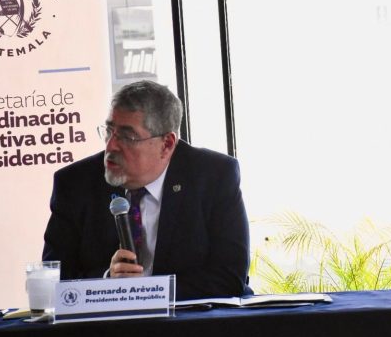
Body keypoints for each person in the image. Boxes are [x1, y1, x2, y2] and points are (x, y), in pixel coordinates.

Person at [42, 80, 250, 299]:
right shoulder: (76, 183)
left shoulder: (213, 176)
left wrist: (146, 291)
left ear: (167, 144)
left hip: (189, 316)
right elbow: (52, 281)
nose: (111, 146)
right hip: (107, 319)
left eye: (127, 136)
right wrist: (106, 282)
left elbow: (230, 277)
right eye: (109, 131)